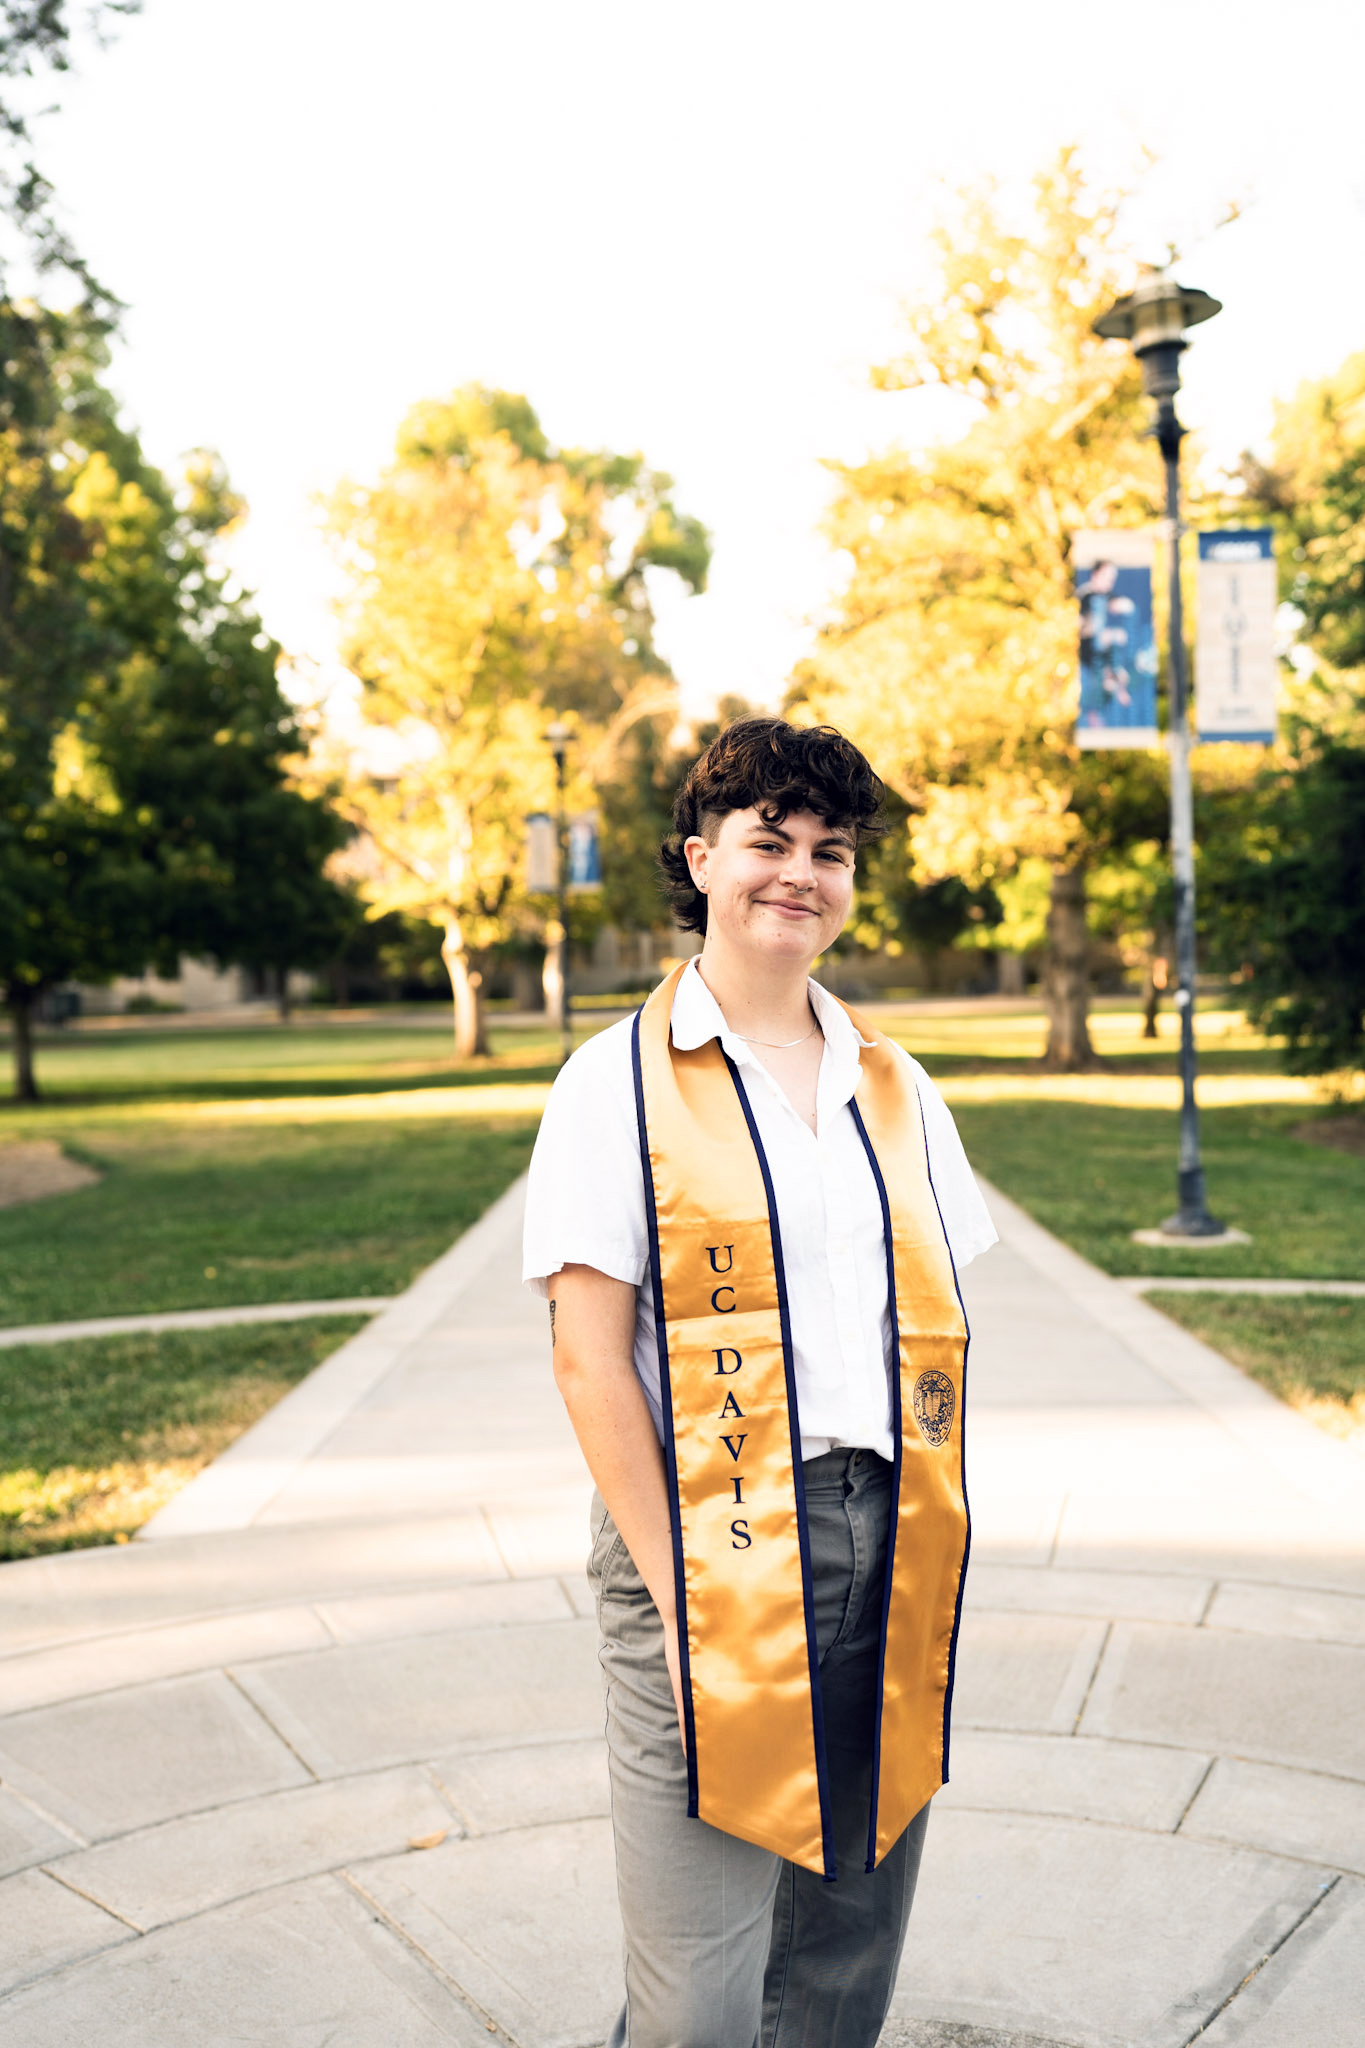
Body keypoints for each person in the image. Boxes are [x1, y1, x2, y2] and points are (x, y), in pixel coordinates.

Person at [523, 717, 997, 2047]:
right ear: (700, 857)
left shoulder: (894, 1086)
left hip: (880, 1530)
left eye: (828, 850)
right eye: (766, 841)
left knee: (847, 1942)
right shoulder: (611, 1081)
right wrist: (679, 1599)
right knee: (701, 1985)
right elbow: (584, 1351)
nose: (798, 872)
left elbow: (939, 1325)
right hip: (702, 1535)